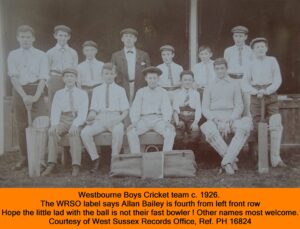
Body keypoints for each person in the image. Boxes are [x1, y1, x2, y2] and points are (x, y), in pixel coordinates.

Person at [7, 25, 48, 170]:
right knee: (21, 125)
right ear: (18, 38)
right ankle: (24, 157)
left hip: (37, 89)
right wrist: (24, 96)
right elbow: (13, 78)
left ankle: (40, 158)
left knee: (41, 123)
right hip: (19, 91)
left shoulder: (41, 55)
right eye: (22, 37)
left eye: (28, 37)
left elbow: (44, 77)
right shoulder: (13, 54)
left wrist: (36, 96)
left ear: (34, 38)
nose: (25, 40)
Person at [200, 58, 252, 175]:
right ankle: (231, 160)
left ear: (226, 69)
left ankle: (226, 161)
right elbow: (205, 108)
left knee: (244, 128)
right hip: (215, 118)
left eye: (222, 68)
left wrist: (230, 120)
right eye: (217, 69)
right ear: (214, 70)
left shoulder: (234, 84)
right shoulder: (209, 85)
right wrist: (215, 120)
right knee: (208, 129)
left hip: (232, 117)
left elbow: (239, 106)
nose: (220, 71)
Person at [243, 38, 286, 167]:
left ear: (266, 48)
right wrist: (255, 91)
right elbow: (244, 83)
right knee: (257, 126)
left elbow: (278, 79)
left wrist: (267, 91)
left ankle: (275, 158)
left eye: (262, 46)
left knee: (275, 122)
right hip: (256, 96)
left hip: (270, 95)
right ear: (253, 50)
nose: (260, 49)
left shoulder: (272, 61)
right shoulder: (250, 64)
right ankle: (260, 158)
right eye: (257, 47)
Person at [81, 63, 129, 173]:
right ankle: (95, 159)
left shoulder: (120, 90)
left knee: (118, 131)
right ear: (102, 75)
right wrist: (91, 115)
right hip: (100, 118)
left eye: (111, 74)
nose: (108, 76)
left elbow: (125, 110)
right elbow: (93, 109)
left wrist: (119, 119)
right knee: (85, 132)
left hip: (115, 117)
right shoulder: (97, 90)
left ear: (115, 75)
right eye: (106, 74)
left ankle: (114, 159)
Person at [42, 68, 88, 177]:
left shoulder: (82, 93)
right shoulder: (59, 93)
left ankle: (76, 165)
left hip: (77, 119)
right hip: (63, 119)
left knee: (74, 133)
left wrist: (76, 124)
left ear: (76, 78)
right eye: (67, 76)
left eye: (72, 76)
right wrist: (54, 124)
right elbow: (55, 110)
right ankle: (51, 163)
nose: (69, 79)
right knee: (52, 132)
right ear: (63, 79)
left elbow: (83, 112)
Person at [127, 66, 176, 154]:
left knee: (170, 132)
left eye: (154, 78)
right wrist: (134, 122)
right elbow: (135, 108)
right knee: (131, 132)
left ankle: (165, 157)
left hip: (158, 120)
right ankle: (137, 157)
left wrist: (167, 122)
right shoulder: (141, 92)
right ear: (146, 78)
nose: (152, 80)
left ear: (158, 79)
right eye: (150, 78)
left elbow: (167, 108)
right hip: (144, 120)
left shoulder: (163, 92)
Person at [111, 28, 151, 104]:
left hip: (140, 86)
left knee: (139, 107)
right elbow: (112, 74)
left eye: (131, 36)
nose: (128, 39)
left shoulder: (144, 55)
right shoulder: (115, 55)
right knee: (124, 108)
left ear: (135, 39)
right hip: (122, 86)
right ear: (122, 39)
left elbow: (149, 73)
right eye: (126, 36)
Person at [224, 25, 254, 117]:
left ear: (245, 37)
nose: (238, 39)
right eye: (236, 36)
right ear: (233, 37)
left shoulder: (250, 50)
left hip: (246, 80)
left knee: (247, 105)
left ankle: (247, 127)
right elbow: (225, 68)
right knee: (233, 104)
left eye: (240, 36)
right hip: (232, 80)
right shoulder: (228, 51)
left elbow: (253, 68)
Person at [46, 25, 78, 106]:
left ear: (69, 37)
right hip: (55, 79)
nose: (63, 38)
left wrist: (74, 82)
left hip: (69, 79)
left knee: (68, 103)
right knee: (54, 104)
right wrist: (49, 82)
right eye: (60, 35)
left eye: (65, 36)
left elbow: (75, 69)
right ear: (55, 36)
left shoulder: (73, 52)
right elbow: (46, 70)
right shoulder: (50, 52)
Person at [173, 70, 201, 145]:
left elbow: (198, 109)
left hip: (191, 118)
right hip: (180, 118)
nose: (187, 82)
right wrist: (177, 122)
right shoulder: (177, 94)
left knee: (195, 134)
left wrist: (195, 122)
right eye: (185, 80)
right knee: (178, 136)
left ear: (193, 81)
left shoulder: (196, 94)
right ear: (181, 81)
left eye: (189, 80)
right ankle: (180, 154)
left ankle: (192, 153)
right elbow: (175, 110)